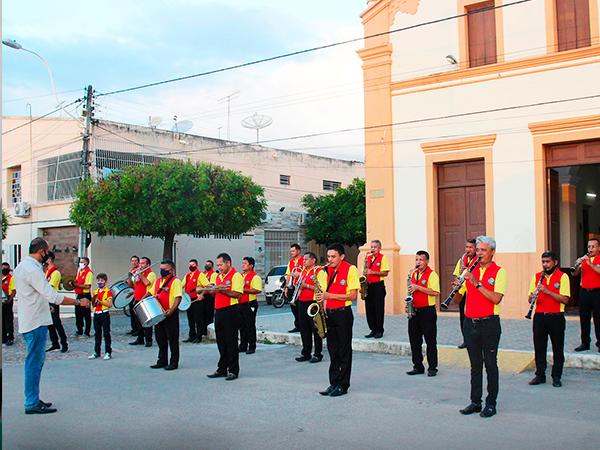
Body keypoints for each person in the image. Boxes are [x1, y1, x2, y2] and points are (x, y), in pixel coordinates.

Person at [13, 237, 89, 414]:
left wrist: (44, 307)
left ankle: (33, 397)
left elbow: (31, 295)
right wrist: (79, 302)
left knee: (34, 362)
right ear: (42, 252)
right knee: (34, 363)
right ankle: (31, 403)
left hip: (31, 319)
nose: (47, 256)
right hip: (35, 323)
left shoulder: (21, 267)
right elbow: (53, 296)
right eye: (46, 252)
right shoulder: (33, 269)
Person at [453, 236, 506, 418]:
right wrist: (456, 288)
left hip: (489, 323)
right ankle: (475, 401)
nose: (480, 253)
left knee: (490, 364)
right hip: (470, 322)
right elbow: (458, 299)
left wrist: (476, 283)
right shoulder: (469, 270)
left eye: (483, 250)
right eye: (478, 250)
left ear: (492, 252)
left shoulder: (499, 272)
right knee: (475, 365)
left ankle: (491, 403)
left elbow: (496, 298)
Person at [317, 243, 360, 397]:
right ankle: (333, 382)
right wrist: (320, 311)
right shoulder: (325, 271)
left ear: (342, 256)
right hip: (329, 313)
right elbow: (321, 293)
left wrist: (329, 296)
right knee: (332, 350)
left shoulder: (351, 269)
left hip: (343, 313)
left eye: (333, 257)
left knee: (344, 350)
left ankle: (343, 384)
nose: (330, 260)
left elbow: (353, 296)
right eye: (328, 257)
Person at [527, 251, 570, 387]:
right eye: (543, 262)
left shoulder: (563, 277)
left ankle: (556, 376)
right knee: (539, 347)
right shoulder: (537, 277)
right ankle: (540, 375)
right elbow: (530, 297)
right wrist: (531, 298)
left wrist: (547, 291)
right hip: (540, 316)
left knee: (557, 347)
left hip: (556, 316)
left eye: (548, 262)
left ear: (555, 262)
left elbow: (565, 299)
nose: (545, 265)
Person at [207, 253, 243, 381]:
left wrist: (221, 290)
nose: (220, 268)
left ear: (228, 263)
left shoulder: (236, 276)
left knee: (231, 341)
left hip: (230, 310)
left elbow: (238, 294)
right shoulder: (218, 276)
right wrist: (212, 291)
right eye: (218, 265)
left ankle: (233, 369)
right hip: (219, 310)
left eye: (221, 265)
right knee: (221, 341)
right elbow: (216, 295)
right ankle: (222, 368)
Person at [406, 250, 440, 377]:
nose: (418, 262)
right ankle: (417, 366)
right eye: (416, 260)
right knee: (414, 340)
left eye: (421, 260)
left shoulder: (432, 275)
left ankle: (432, 367)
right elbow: (410, 290)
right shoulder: (413, 274)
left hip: (427, 311)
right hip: (414, 310)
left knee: (430, 340)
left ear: (427, 261)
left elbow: (435, 292)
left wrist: (418, 287)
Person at [144, 259, 182, 370]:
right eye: (161, 269)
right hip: (159, 313)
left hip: (170, 314)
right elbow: (150, 292)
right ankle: (162, 360)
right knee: (160, 338)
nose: (161, 271)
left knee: (172, 339)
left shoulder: (175, 281)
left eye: (164, 269)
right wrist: (142, 299)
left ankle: (174, 362)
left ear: (171, 270)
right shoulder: (158, 281)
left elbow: (178, 297)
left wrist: (172, 310)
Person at [295, 252, 327, 363]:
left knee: (315, 329)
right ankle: (306, 352)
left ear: (313, 260)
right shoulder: (303, 271)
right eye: (303, 259)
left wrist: (307, 286)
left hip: (313, 303)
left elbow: (321, 289)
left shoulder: (319, 271)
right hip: (302, 302)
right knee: (304, 329)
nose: (303, 261)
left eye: (306, 259)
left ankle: (318, 353)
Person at [572, 238, 600, 353]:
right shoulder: (584, 259)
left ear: (599, 248)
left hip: (597, 292)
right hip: (584, 292)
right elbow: (574, 274)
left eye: (593, 246)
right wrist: (577, 265)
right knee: (584, 319)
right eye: (589, 246)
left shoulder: (595, 259)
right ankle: (585, 342)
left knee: (598, 319)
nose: (591, 249)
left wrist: (589, 263)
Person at [452, 239, 477, 349]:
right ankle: (466, 340)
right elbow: (457, 274)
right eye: (467, 247)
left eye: (470, 247)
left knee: (473, 316)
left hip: (474, 292)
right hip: (463, 291)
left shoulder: (478, 261)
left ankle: (475, 339)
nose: (468, 250)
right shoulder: (462, 260)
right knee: (463, 317)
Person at [363, 239, 390, 339]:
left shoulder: (383, 258)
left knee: (378, 308)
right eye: (371, 247)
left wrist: (372, 272)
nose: (372, 249)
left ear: (379, 248)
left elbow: (385, 273)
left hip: (378, 285)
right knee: (369, 308)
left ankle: (379, 330)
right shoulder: (368, 258)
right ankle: (372, 329)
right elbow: (365, 271)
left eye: (375, 247)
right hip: (368, 285)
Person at [128, 257, 156, 347]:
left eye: (143, 263)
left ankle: (148, 339)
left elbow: (147, 283)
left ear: (148, 265)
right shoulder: (139, 274)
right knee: (138, 321)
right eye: (140, 263)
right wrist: (130, 278)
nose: (140, 265)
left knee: (147, 321)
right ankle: (140, 338)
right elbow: (134, 285)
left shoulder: (151, 274)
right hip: (137, 298)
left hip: (145, 299)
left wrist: (140, 274)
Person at [44, 252, 68, 353]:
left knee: (56, 322)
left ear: (49, 260)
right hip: (46, 300)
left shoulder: (55, 273)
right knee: (49, 324)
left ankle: (64, 343)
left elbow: (50, 287)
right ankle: (55, 343)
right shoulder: (47, 272)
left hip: (53, 300)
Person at [239, 257, 262, 354]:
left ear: (251, 266)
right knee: (242, 325)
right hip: (240, 304)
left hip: (249, 304)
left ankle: (252, 346)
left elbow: (257, 290)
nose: (243, 265)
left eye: (245, 263)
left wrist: (243, 290)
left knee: (250, 325)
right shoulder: (240, 276)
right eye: (242, 263)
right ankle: (243, 345)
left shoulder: (255, 277)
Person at [182, 259, 210, 343]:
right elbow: (181, 285)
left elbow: (207, 285)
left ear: (197, 265)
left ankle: (199, 336)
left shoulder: (200, 275)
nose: (191, 266)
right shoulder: (187, 275)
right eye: (190, 265)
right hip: (188, 299)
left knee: (198, 318)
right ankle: (192, 335)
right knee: (190, 318)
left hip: (196, 299)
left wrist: (201, 294)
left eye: (193, 265)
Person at [89, 273, 114, 360]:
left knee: (106, 333)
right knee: (97, 334)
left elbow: (109, 304)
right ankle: (96, 352)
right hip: (96, 313)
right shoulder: (95, 292)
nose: (100, 282)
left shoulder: (108, 292)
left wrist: (100, 302)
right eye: (98, 281)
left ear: (105, 282)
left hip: (104, 314)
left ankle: (108, 352)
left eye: (102, 281)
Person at [71, 257, 93, 338]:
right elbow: (77, 281)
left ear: (86, 263)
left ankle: (87, 332)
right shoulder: (80, 272)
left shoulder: (89, 273)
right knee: (78, 313)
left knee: (86, 314)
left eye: (82, 262)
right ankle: (79, 330)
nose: (80, 264)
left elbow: (87, 286)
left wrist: (76, 285)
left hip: (85, 295)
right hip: (79, 294)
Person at [285, 243, 303, 333]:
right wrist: (287, 288)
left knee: (301, 307)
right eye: (291, 251)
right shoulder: (291, 262)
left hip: (301, 287)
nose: (291, 253)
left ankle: (303, 325)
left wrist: (299, 274)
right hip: (292, 286)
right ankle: (298, 325)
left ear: (298, 251)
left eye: (293, 251)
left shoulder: (304, 260)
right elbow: (289, 275)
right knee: (294, 308)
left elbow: (307, 272)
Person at [201, 260, 217, 336]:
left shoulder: (213, 274)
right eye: (206, 264)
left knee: (209, 313)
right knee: (203, 314)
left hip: (209, 296)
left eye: (209, 265)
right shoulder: (203, 274)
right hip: (203, 295)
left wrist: (203, 291)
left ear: (212, 266)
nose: (207, 266)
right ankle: (203, 329)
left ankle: (208, 330)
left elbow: (210, 285)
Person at [2, 262, 17, 346]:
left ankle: (10, 337)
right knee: (2, 319)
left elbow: (14, 290)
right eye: (3, 268)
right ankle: (3, 336)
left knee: (8, 318)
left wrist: (9, 300)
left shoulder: (11, 278)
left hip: (7, 299)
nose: (4, 270)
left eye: (6, 269)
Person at [126, 255, 140, 336]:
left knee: (136, 313)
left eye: (135, 261)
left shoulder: (138, 270)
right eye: (133, 261)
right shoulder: (131, 271)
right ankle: (134, 328)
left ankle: (138, 330)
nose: (134, 262)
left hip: (136, 292)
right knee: (132, 311)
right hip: (132, 292)